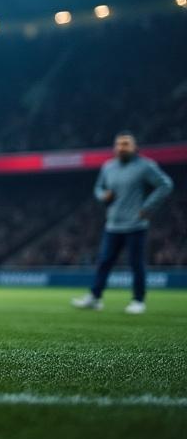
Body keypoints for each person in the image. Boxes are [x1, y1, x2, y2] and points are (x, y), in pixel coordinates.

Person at [71, 132, 174, 314]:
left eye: (126, 144)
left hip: (135, 225)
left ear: (135, 147)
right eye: (118, 144)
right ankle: (95, 298)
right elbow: (98, 188)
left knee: (136, 264)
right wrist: (103, 196)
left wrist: (148, 207)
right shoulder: (108, 167)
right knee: (104, 262)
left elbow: (165, 184)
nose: (121, 147)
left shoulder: (145, 166)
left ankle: (138, 301)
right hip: (112, 225)